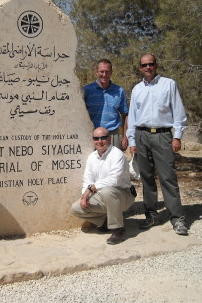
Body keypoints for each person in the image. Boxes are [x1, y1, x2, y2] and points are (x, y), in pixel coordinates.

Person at [127, 53, 188, 235]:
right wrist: (132, 141)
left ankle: (177, 218)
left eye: (151, 64)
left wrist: (177, 137)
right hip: (142, 136)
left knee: (168, 177)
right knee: (146, 178)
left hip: (162, 136)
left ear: (156, 65)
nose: (148, 67)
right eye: (144, 65)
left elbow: (179, 113)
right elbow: (133, 117)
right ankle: (151, 215)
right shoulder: (137, 89)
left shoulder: (169, 84)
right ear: (140, 68)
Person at [70, 127, 136, 244]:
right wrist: (84, 196)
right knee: (76, 209)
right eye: (96, 138)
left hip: (123, 195)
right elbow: (88, 180)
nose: (99, 141)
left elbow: (113, 180)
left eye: (103, 138)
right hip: (102, 196)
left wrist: (90, 189)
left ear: (109, 138)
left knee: (107, 191)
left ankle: (118, 229)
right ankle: (105, 221)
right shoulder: (92, 157)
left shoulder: (117, 155)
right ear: (93, 140)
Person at [83, 59, 129, 150]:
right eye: (101, 72)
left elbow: (125, 115)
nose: (104, 75)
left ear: (111, 72)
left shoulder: (119, 91)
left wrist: (125, 138)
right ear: (96, 72)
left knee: (114, 163)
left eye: (107, 72)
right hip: (93, 136)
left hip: (112, 135)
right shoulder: (86, 90)